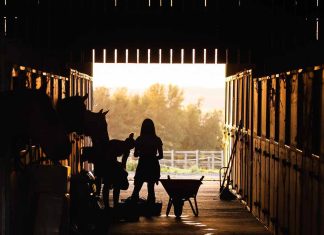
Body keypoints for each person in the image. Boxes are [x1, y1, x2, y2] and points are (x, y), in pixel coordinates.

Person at [131, 118, 163, 204]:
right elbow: (161, 156)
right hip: (153, 165)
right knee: (151, 188)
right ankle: (151, 209)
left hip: (143, 164)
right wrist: (152, 157)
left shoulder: (139, 139)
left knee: (137, 188)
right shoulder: (157, 139)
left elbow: (135, 155)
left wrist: (142, 153)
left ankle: (133, 209)